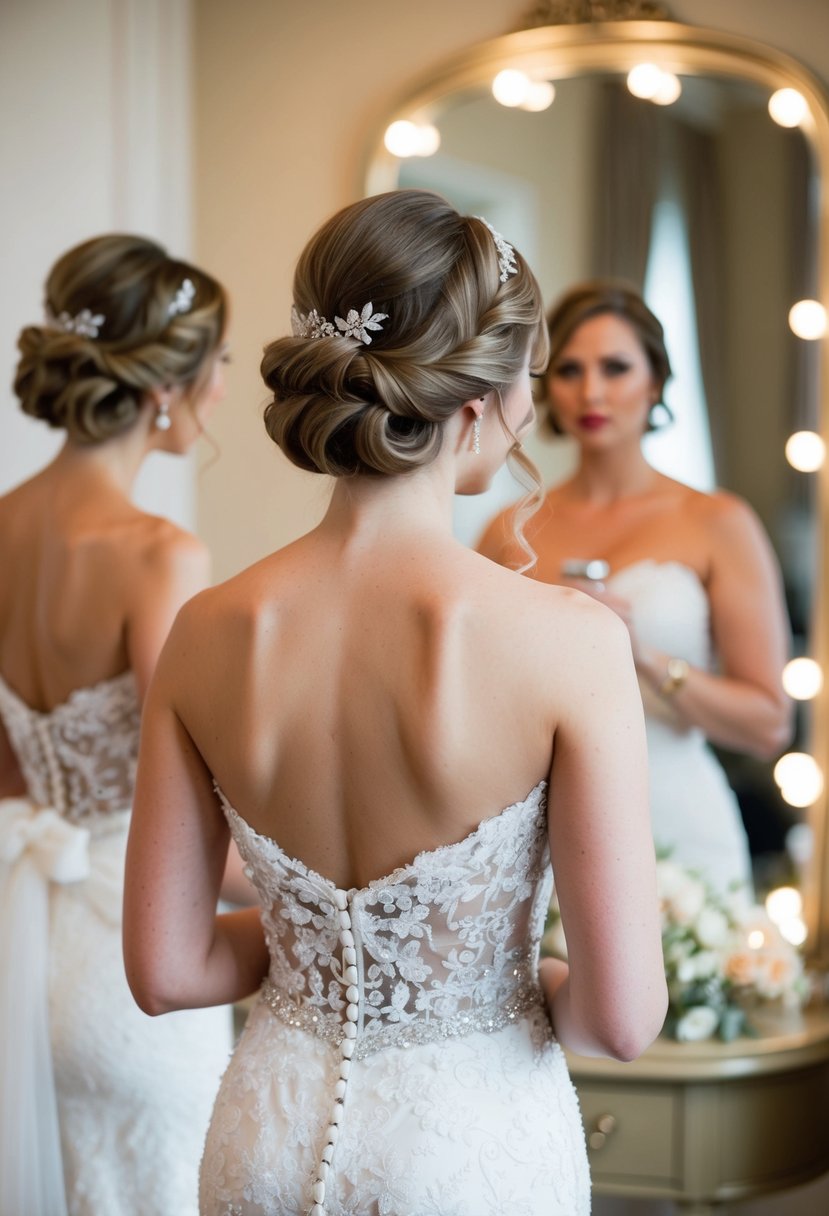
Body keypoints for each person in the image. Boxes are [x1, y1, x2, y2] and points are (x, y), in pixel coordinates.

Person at [124, 191, 667, 1216]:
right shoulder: (571, 641)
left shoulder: (206, 628)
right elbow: (619, 1021)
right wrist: (471, 967)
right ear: (478, 401)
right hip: (467, 1146)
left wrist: (320, 945)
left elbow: (166, 969)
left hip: (263, 1136)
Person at [0, 234, 239, 1216]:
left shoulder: (1, 526)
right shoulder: (156, 552)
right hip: (132, 960)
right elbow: (183, 778)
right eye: (217, 361)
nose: (222, 384)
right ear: (164, 388)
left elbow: (10, 778)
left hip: (24, 947)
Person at [479, 280, 793, 898]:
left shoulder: (716, 523)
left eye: (615, 368)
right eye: (569, 369)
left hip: (678, 826)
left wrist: (642, 656)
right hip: (540, 834)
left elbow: (768, 726)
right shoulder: (509, 531)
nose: (591, 391)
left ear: (655, 382)